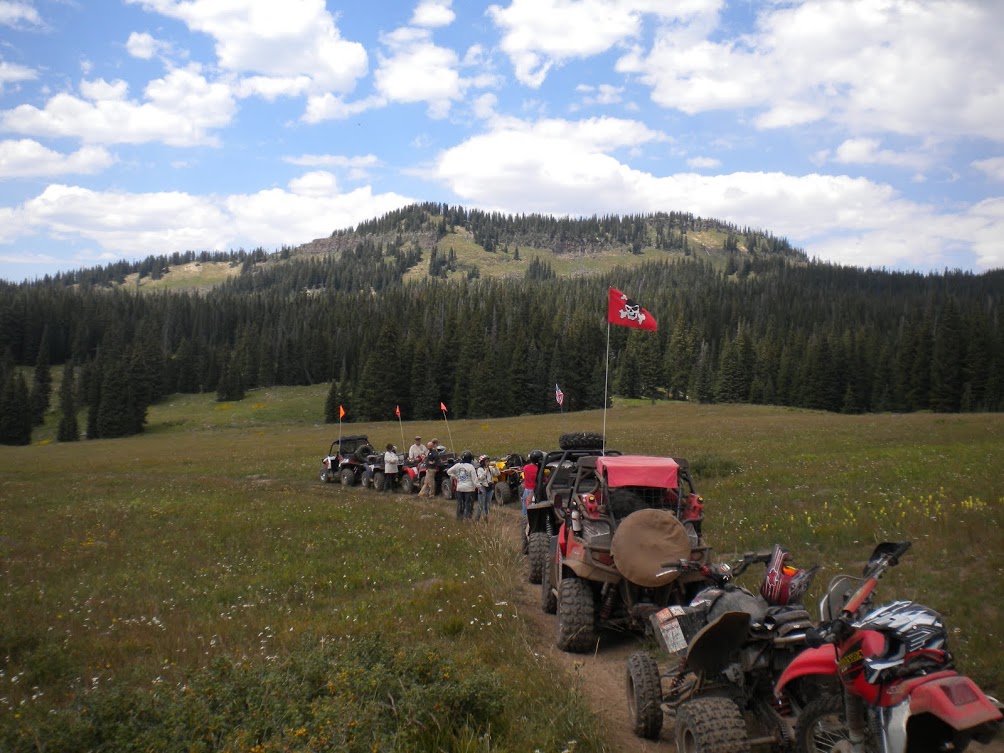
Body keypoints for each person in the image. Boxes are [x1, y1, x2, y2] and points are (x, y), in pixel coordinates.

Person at [447, 450, 481, 521]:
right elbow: (474, 479)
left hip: (459, 488)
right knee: (468, 505)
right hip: (469, 489)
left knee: (460, 504)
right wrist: (479, 487)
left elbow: (448, 471)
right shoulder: (471, 467)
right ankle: (467, 519)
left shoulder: (457, 465)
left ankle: (459, 519)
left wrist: (456, 477)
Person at [522, 450, 544, 522]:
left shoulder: (526, 467)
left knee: (525, 510)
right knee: (534, 510)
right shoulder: (538, 469)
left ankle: (525, 524)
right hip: (534, 492)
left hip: (526, 490)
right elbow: (543, 480)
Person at [474, 454, 497, 521]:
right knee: (481, 504)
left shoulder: (490, 469)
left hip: (489, 487)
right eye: (486, 461)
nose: (488, 463)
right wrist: (486, 471)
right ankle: (477, 518)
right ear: (482, 462)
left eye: (488, 461)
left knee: (487, 504)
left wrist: (495, 467)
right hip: (482, 487)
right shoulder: (480, 469)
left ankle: (486, 518)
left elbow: (497, 474)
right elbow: (481, 478)